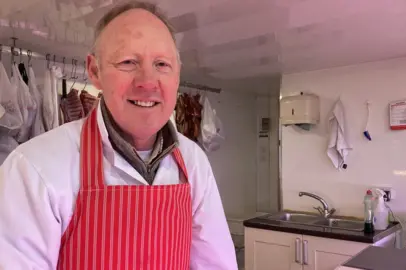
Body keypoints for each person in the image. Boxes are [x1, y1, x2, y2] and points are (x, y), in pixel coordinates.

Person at [0, 2, 238, 269]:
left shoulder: (193, 162)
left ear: (177, 74)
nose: (147, 82)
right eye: (128, 62)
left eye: (161, 64)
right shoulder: (33, 169)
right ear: (95, 71)